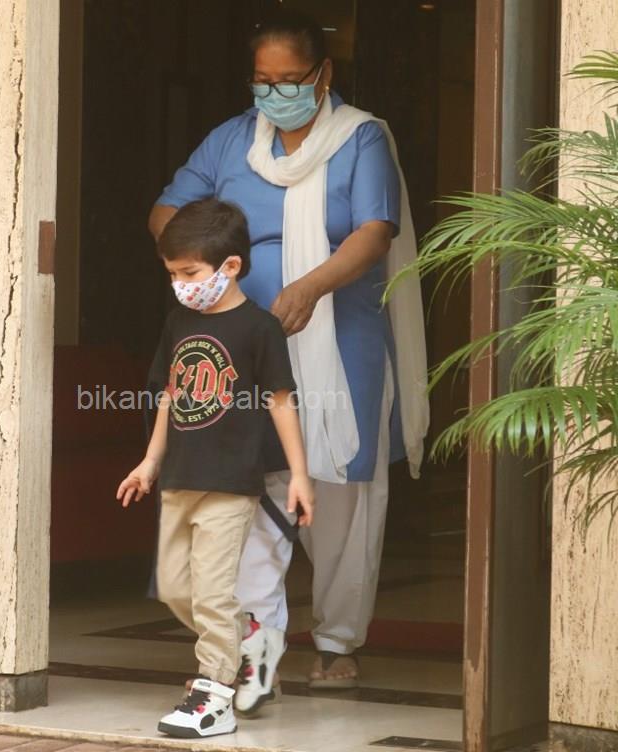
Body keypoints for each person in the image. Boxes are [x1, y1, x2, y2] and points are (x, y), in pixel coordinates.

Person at [148, 10, 428, 711]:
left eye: (290, 81)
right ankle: (255, 647)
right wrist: (205, 260)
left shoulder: (360, 137)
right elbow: (167, 213)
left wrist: (310, 286)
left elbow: (375, 231)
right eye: (262, 81)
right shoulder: (231, 139)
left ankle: (337, 641)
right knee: (251, 485)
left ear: (323, 75)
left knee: (339, 490)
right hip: (243, 344)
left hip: (339, 339)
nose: (275, 94)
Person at [117, 198, 315, 738]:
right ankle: (249, 635)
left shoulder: (260, 328)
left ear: (230, 266)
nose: (180, 285)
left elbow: (280, 401)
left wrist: (299, 474)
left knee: (210, 592)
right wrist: (150, 461)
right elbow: (169, 394)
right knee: (175, 589)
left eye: (189, 273)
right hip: (179, 478)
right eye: (172, 274)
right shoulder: (178, 322)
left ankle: (214, 694)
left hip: (230, 483)